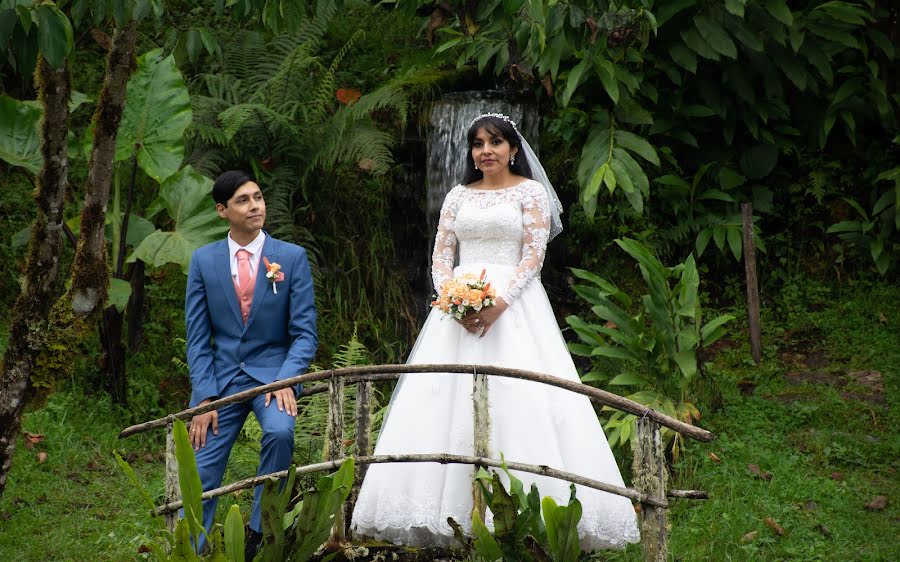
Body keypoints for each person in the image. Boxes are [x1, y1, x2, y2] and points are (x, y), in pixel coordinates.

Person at [350, 114, 640, 549]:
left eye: (495, 142)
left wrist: (498, 305)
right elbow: (441, 256)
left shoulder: (531, 193)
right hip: (457, 313)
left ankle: (529, 511)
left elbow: (533, 256)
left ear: (513, 149)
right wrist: (452, 298)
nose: (486, 151)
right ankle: (448, 514)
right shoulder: (456, 196)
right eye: (478, 144)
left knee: (523, 400)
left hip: (516, 307)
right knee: (443, 401)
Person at [184, 170, 317, 555]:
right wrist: (204, 398)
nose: (255, 205)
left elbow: (305, 333)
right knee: (202, 459)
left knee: (279, 432)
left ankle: (259, 531)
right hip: (222, 380)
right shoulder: (203, 261)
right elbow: (198, 337)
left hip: (274, 374)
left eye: (258, 197)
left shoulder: (290, 258)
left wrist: (286, 380)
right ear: (222, 210)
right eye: (243, 200)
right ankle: (193, 547)